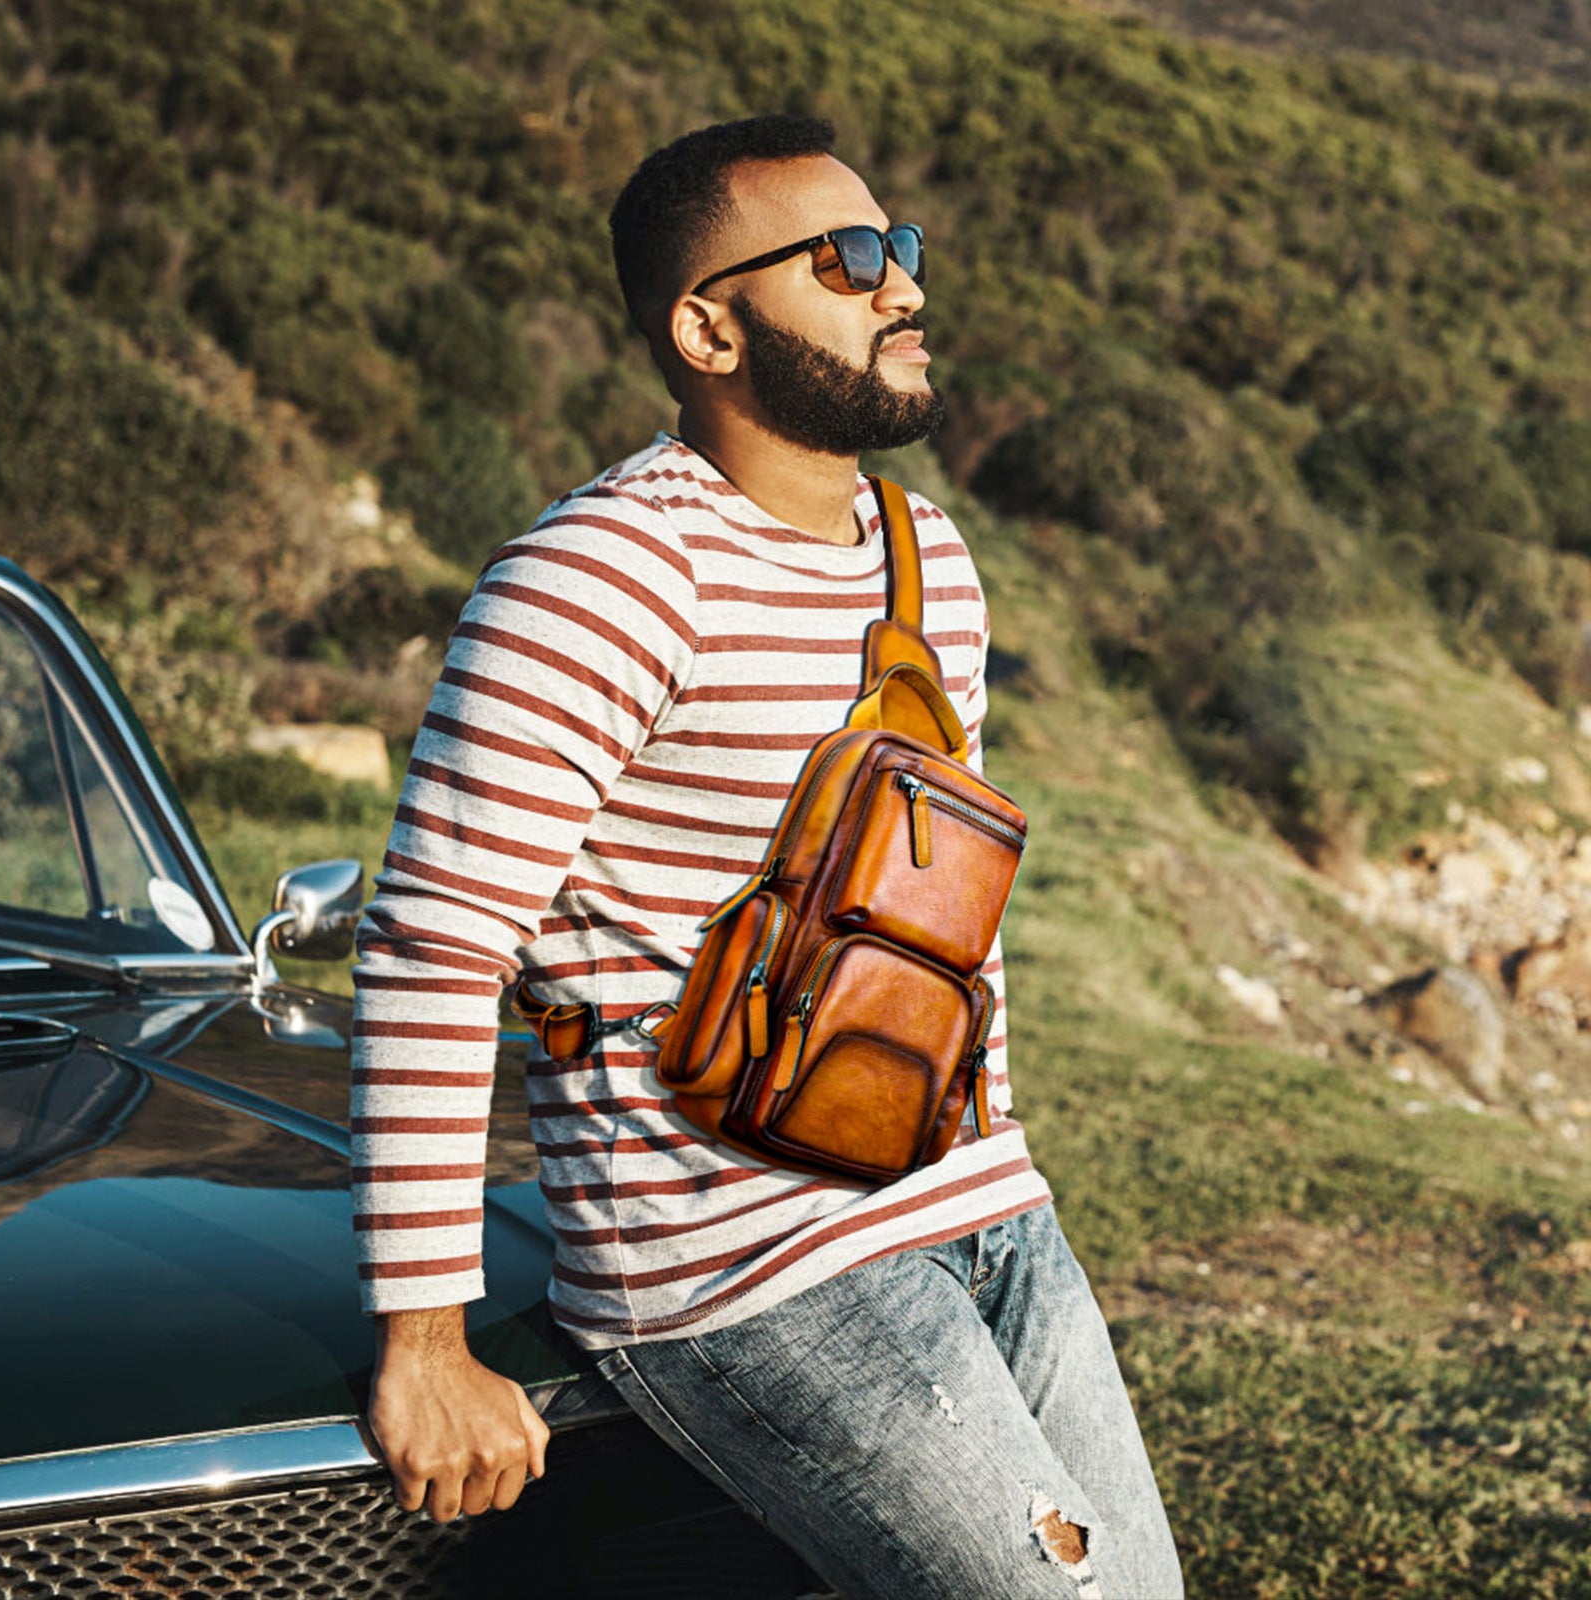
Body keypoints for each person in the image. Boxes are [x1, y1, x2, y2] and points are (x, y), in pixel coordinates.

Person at [352, 114, 1184, 1599]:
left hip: (987, 1208)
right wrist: (426, 1341)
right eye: (850, 260)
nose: (903, 287)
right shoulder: (598, 575)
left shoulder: (930, 555)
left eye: (903, 249)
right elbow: (434, 944)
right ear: (707, 325)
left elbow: (932, 924)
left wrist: (997, 1183)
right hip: (740, 1270)